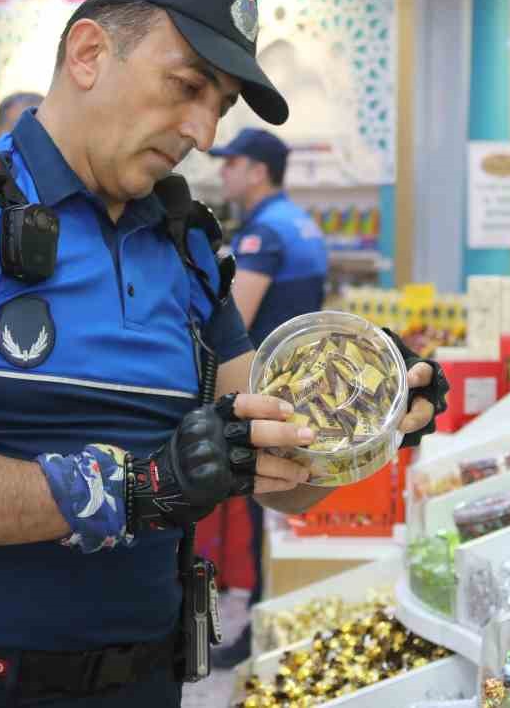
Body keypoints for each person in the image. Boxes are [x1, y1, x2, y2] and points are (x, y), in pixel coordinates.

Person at [0, 0, 447, 707]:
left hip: (145, 684)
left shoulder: (189, 249)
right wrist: (139, 488)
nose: (204, 134)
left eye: (219, 107)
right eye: (186, 86)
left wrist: (370, 414)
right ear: (89, 53)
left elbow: (280, 474)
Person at [206, 128, 329, 667]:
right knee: (280, 515)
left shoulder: (264, 234)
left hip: (268, 395)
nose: (223, 173)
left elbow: (233, 321)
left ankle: (256, 631)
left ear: (257, 171)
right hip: (305, 389)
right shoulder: (300, 223)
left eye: (230, 163)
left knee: (264, 508)